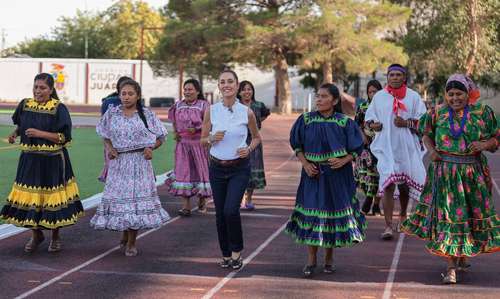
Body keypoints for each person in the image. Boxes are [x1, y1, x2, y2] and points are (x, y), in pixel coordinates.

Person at [401, 74, 500, 284]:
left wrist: (484, 145)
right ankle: (450, 268)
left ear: (468, 93)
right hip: (445, 173)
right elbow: (425, 133)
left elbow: (496, 137)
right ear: (445, 95)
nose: (455, 98)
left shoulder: (482, 113)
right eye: (451, 94)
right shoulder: (436, 113)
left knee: (468, 217)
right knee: (450, 219)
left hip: (473, 174)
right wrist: (431, 150)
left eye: (459, 94)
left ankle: (461, 256)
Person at [286, 83, 366, 278]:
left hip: (339, 177)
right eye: (318, 96)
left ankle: (329, 259)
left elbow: (358, 147)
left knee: (332, 215)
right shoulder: (305, 120)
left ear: (335, 100)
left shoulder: (344, 122)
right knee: (313, 216)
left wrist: (344, 160)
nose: (319, 99)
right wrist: (305, 164)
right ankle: (311, 260)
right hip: (313, 175)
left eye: (323, 96)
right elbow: (297, 145)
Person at [0, 73, 83, 253]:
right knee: (32, 198)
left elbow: (64, 137)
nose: (38, 91)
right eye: (36, 87)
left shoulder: (59, 108)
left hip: (52, 162)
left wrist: (40, 134)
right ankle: (36, 234)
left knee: (52, 199)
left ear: (51, 90)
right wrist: (16, 133)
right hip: (29, 160)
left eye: (43, 88)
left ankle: (55, 236)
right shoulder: (25, 105)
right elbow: (22, 124)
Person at [90, 79, 170, 257]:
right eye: (123, 93)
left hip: (139, 163)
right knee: (122, 201)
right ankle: (125, 233)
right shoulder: (112, 113)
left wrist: (151, 148)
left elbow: (161, 136)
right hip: (119, 164)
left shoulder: (147, 115)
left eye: (130, 94)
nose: (126, 97)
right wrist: (110, 148)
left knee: (135, 204)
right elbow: (104, 133)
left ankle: (132, 241)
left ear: (138, 96)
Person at [201, 69, 261, 270]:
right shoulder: (212, 110)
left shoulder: (247, 112)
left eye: (230, 82)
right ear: (219, 86)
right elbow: (202, 140)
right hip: (217, 168)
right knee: (220, 213)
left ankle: (237, 252)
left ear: (237, 86)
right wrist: (211, 138)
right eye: (222, 82)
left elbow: (257, 138)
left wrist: (248, 148)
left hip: (239, 168)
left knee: (230, 210)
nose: (226, 85)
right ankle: (226, 255)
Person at [364, 64, 427, 240]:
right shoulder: (379, 97)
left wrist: (407, 123)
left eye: (399, 74)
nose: (395, 77)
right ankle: (388, 226)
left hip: (406, 148)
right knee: (388, 185)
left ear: (404, 77)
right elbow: (369, 120)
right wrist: (373, 125)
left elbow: (424, 122)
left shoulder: (413, 97)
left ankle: (403, 216)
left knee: (405, 185)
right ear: (387, 77)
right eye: (392, 74)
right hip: (386, 149)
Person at [165, 79, 211, 216]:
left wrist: (199, 131)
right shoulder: (178, 105)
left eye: (190, 89)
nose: (187, 92)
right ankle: (186, 206)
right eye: (185, 89)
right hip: (183, 145)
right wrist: (176, 133)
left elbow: (209, 124)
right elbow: (174, 121)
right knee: (183, 172)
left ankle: (202, 200)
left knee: (200, 172)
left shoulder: (204, 105)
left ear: (197, 91)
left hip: (199, 144)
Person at [237, 80, 271, 210]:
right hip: (239, 142)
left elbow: (265, 114)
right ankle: (239, 198)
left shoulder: (258, 105)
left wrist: (256, 124)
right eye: (244, 89)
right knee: (239, 171)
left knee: (252, 171)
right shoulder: (236, 106)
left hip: (255, 143)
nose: (247, 92)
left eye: (249, 89)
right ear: (239, 92)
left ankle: (249, 199)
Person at [355, 80, 383, 216]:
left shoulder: (386, 106)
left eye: (375, 91)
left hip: (383, 146)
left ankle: (375, 204)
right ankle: (369, 198)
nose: (373, 94)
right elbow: (357, 124)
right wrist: (363, 137)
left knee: (380, 177)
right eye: (370, 92)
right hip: (367, 146)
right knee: (368, 176)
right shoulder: (363, 107)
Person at [98, 75, 132, 183]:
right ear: (118, 89)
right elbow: (103, 125)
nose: (127, 96)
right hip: (113, 142)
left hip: (127, 143)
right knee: (116, 172)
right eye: (124, 90)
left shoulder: (136, 103)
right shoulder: (109, 102)